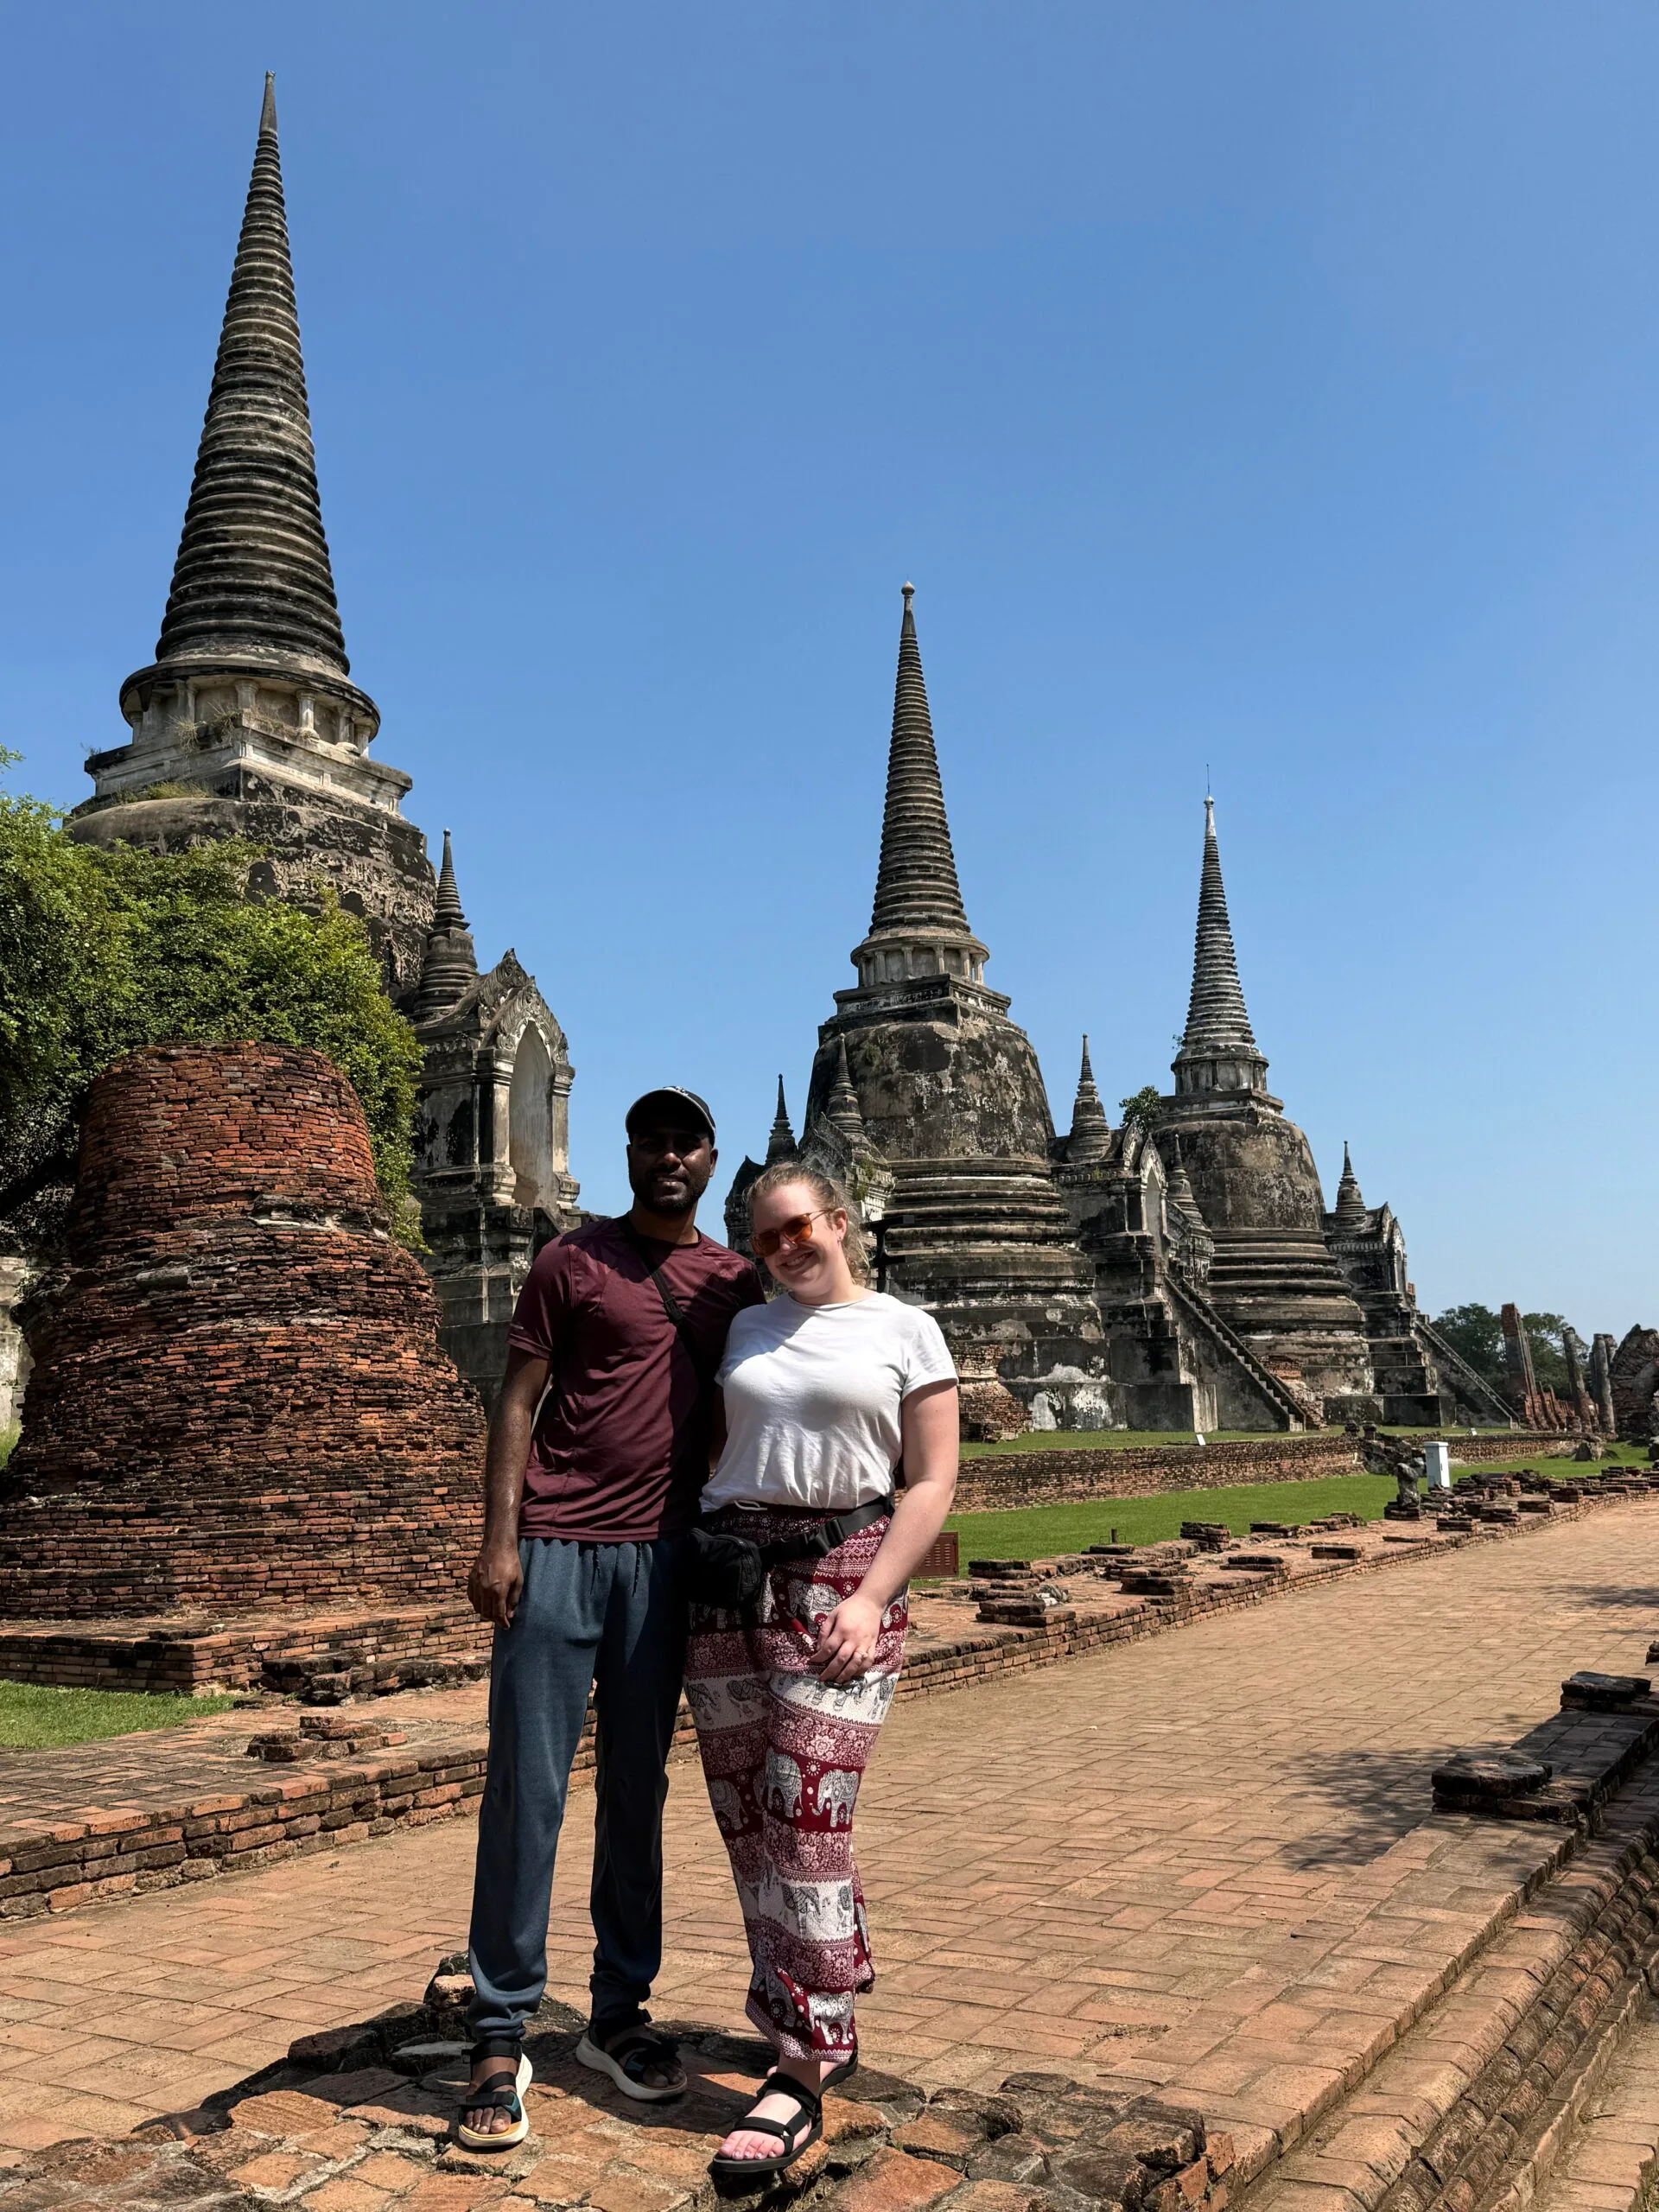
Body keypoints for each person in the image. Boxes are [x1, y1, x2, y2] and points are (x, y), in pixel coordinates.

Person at [458, 1087, 764, 2149]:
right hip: (555, 1547)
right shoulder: (570, 1262)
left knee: (637, 1791)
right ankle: (499, 2026)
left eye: (686, 1142)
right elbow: (517, 1399)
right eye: (652, 1140)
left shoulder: (734, 1282)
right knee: (527, 1791)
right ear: (629, 1153)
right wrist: (499, 1541)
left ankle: (617, 2012)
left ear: (711, 1159)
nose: (668, 1155)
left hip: (663, 1561)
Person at [685, 1161, 959, 2184]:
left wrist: (873, 1596)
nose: (784, 1248)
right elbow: (710, 1450)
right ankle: (817, 1994)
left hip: (845, 1574)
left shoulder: (905, 1329)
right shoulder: (742, 1329)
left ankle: (801, 2063)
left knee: (806, 1806)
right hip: (730, 1577)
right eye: (764, 1237)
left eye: (798, 1226)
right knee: (749, 1813)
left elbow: (932, 1479)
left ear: (838, 1222)